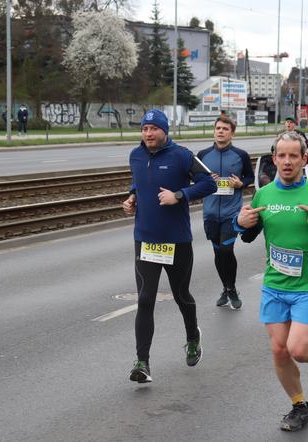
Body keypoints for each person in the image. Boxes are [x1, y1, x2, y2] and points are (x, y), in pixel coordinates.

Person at [235, 131, 308, 432]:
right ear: (274, 159)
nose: (287, 162)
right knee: (279, 350)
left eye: (293, 156)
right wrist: (239, 223)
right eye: (281, 156)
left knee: (298, 349)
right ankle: (299, 406)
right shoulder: (264, 194)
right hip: (274, 285)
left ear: (304, 159)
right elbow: (248, 234)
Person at [123, 109, 217, 384]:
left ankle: (192, 337)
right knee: (145, 299)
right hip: (145, 239)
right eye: (144, 129)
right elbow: (139, 181)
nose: (148, 134)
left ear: (164, 130)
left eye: (153, 128)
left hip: (176, 241)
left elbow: (209, 183)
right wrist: (131, 197)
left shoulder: (182, 155)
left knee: (181, 295)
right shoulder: (135, 156)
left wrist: (180, 194)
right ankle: (142, 362)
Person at [197, 115, 254, 309]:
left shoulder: (241, 155)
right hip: (210, 214)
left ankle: (231, 289)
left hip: (231, 214)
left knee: (226, 250)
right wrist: (205, 181)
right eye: (218, 128)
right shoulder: (203, 154)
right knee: (218, 252)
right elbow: (195, 181)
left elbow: (250, 177)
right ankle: (225, 287)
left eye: (225, 129)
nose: (220, 131)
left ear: (232, 133)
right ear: (214, 131)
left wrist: (240, 184)